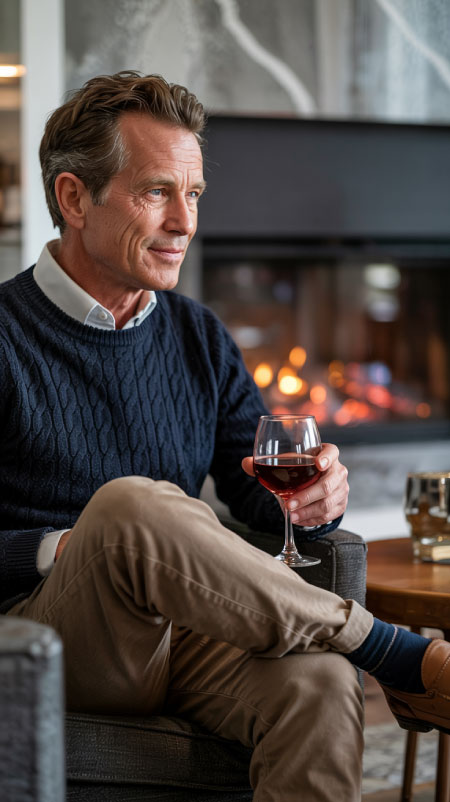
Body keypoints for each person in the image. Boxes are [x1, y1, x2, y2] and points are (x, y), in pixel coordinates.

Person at [1, 71, 449, 802]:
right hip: (44, 638)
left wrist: (317, 499)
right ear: (74, 198)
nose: (185, 221)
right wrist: (60, 548)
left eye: (195, 194)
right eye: (156, 192)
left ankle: (358, 654)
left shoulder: (198, 336)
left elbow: (262, 493)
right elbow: (124, 525)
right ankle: (392, 650)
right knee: (127, 509)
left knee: (320, 682)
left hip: (180, 634)